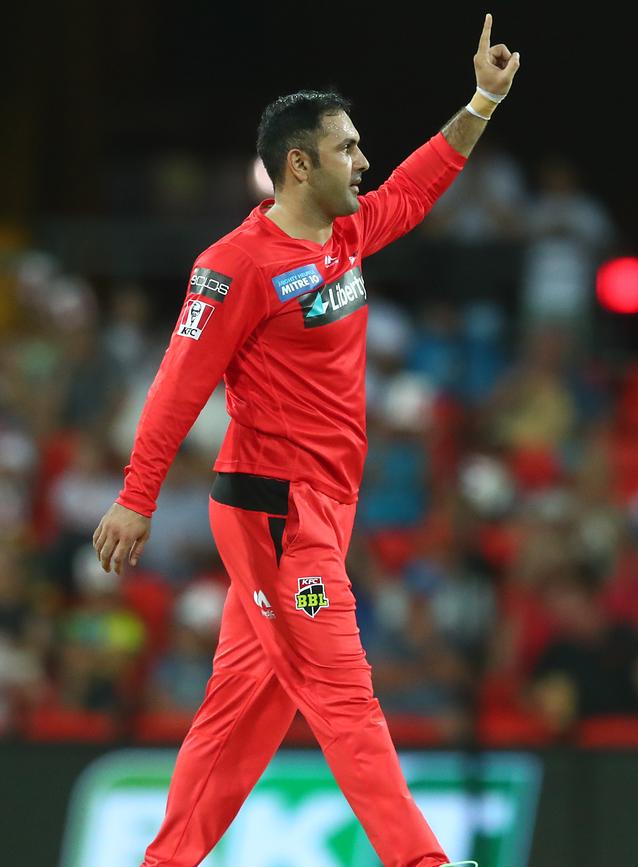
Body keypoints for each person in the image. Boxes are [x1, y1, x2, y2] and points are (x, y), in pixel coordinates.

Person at [93, 13, 520, 867]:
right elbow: (178, 384)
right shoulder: (236, 265)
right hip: (278, 529)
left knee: (241, 715)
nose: (364, 161)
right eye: (348, 148)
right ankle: (423, 862)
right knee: (341, 687)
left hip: (318, 514)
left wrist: (480, 99)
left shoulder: (345, 234)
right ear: (300, 163)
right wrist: (137, 498)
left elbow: (415, 187)